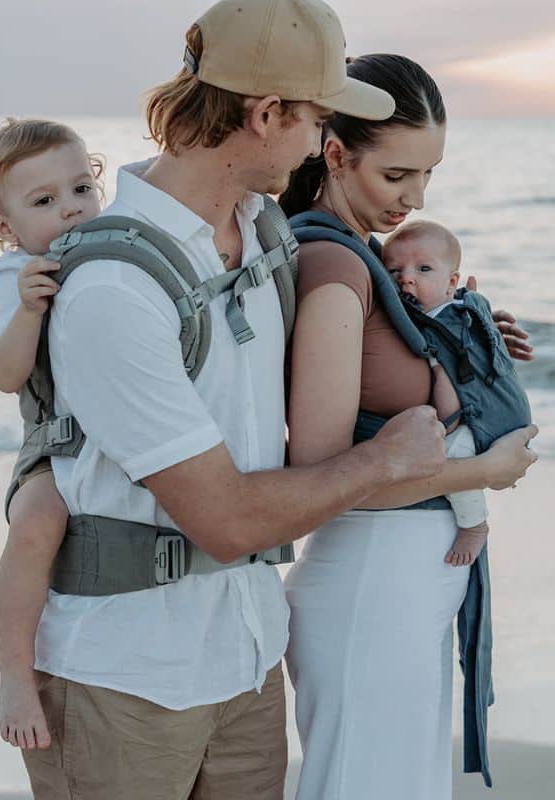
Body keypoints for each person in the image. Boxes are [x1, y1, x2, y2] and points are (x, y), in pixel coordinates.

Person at [0, 4, 534, 800]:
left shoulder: (265, 233)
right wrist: (392, 459)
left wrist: (459, 322)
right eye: (315, 120)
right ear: (265, 115)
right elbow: (227, 518)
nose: (319, 143)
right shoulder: (114, 286)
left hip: (245, 659)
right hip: (126, 678)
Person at [280, 54, 536, 800]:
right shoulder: (334, 266)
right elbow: (325, 481)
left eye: (428, 175)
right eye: (396, 176)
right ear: (334, 152)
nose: (414, 197)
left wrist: (469, 339)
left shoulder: (371, 261)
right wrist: (479, 475)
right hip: (369, 580)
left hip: (404, 580)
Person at [0, 118, 103, 750]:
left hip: (118, 436)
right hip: (55, 443)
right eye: (44, 202)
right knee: (38, 521)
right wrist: (28, 309)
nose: (71, 211)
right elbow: (5, 373)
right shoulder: (9, 277)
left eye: (81, 189)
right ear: (4, 227)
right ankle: (15, 673)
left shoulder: (113, 249)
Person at [382, 219, 530, 567]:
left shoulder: (437, 326)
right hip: (510, 410)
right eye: (394, 270)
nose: (407, 277)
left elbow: (448, 387)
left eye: (423, 269)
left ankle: (474, 524)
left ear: (451, 282)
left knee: (451, 454)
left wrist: (443, 425)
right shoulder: (462, 308)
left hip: (496, 423)